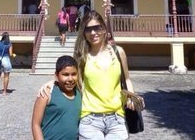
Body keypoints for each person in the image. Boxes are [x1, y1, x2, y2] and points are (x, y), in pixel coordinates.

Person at [39, 10, 140, 139]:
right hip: (90, 120)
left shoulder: (118, 52)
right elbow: (72, 77)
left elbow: (127, 79)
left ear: (104, 28)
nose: (93, 33)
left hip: (116, 118)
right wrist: (54, 83)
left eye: (97, 28)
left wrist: (131, 97)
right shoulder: (82, 56)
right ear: (84, 33)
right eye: (88, 29)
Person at [31, 55, 82, 140]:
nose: (70, 79)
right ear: (56, 75)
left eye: (73, 74)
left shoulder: (79, 93)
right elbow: (36, 124)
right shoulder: (47, 93)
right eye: (65, 75)